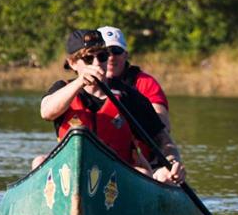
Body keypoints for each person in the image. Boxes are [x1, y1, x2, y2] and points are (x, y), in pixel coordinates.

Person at [31, 29, 186, 185]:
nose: (97, 63)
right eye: (88, 58)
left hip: (117, 176)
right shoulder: (62, 88)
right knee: (39, 162)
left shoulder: (128, 96)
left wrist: (173, 162)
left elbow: (161, 138)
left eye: (102, 56)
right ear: (72, 63)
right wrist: (80, 82)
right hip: (69, 174)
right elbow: (46, 112)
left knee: (145, 172)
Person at [98, 26, 172, 132]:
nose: (111, 57)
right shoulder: (83, 83)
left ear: (125, 55)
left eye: (116, 51)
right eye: (104, 52)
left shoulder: (145, 82)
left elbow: (163, 123)